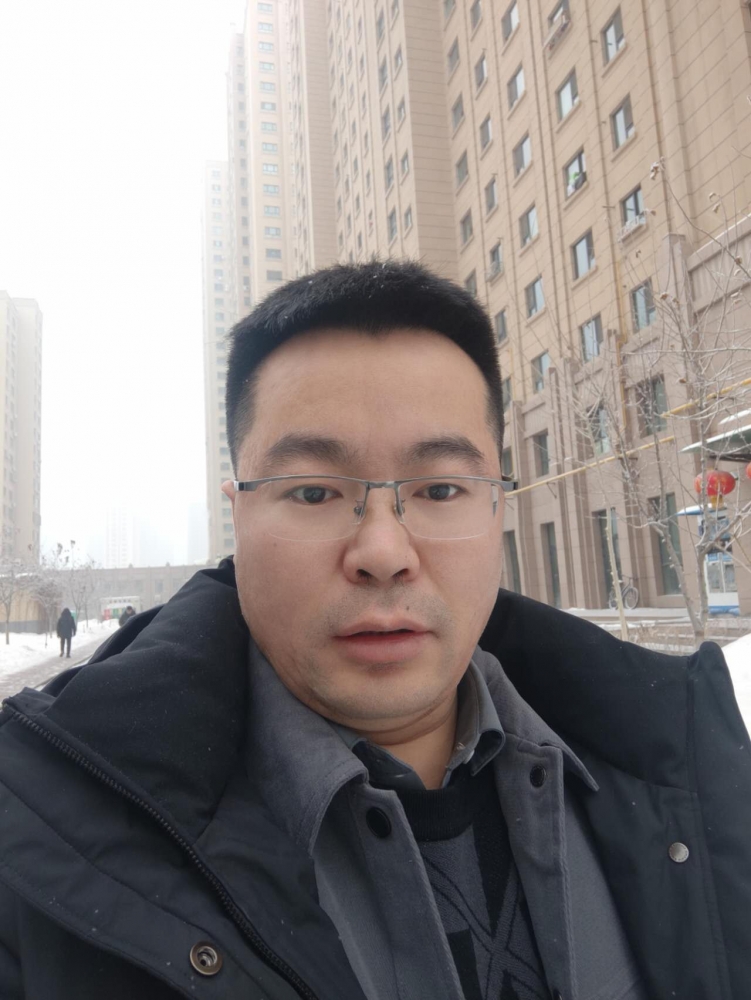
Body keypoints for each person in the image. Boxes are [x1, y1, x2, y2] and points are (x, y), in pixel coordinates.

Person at [0, 261, 749, 1000]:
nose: (384, 553)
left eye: (441, 489)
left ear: (497, 508)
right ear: (240, 516)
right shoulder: (41, 846)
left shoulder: (681, 761)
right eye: (315, 492)